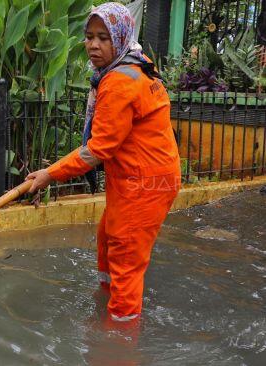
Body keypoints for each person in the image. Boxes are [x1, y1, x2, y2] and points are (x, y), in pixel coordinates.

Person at [26, 3, 181, 323]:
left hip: (144, 183)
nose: (93, 45)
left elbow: (98, 150)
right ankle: (106, 304)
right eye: (89, 37)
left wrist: (49, 174)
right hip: (139, 177)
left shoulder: (119, 81)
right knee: (107, 238)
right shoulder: (135, 61)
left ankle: (118, 339)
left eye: (103, 38)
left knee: (125, 256)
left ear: (120, 38)